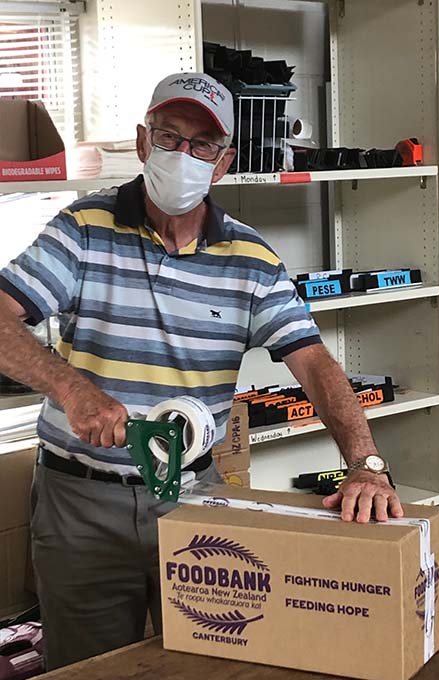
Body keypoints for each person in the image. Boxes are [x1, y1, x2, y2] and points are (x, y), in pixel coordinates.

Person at [0, 72, 403, 670]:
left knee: (214, 661)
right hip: (80, 502)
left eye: (202, 145)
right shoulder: (83, 229)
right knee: (88, 668)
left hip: (193, 502)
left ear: (224, 162)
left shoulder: (251, 259)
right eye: (169, 137)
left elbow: (312, 361)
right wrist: (72, 390)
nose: (182, 156)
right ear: (143, 142)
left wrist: (366, 465)